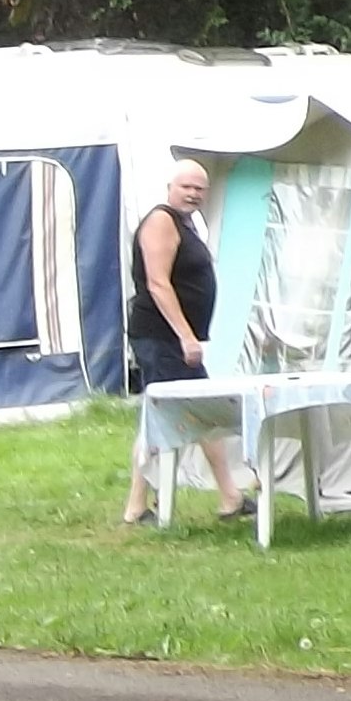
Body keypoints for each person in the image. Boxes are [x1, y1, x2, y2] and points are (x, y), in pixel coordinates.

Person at [119, 161, 246, 523]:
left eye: (200, 189)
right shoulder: (161, 221)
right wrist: (186, 336)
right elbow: (158, 284)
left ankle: (226, 496)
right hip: (161, 337)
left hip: (173, 339)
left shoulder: (186, 224)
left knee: (181, 415)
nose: (193, 193)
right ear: (170, 187)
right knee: (181, 414)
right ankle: (142, 505)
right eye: (186, 186)